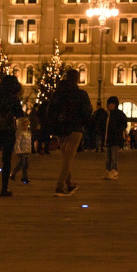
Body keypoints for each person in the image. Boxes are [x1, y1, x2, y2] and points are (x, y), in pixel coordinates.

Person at [47, 68, 92, 196]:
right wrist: (84, 124)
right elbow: (87, 112)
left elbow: (50, 111)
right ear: (77, 79)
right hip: (75, 128)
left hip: (59, 129)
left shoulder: (57, 94)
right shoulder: (81, 94)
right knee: (68, 158)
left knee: (66, 157)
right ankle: (60, 186)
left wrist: (53, 126)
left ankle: (70, 182)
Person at [102, 96, 128, 180]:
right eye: (109, 103)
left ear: (115, 104)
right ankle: (108, 171)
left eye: (112, 104)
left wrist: (117, 130)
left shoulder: (119, 114)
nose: (110, 105)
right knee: (107, 157)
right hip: (107, 139)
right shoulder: (106, 114)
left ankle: (114, 171)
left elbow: (124, 124)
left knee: (114, 157)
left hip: (115, 139)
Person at [9, 115, 32, 184]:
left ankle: (24, 177)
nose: (26, 127)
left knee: (26, 164)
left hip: (26, 150)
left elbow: (29, 142)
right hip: (21, 150)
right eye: (24, 126)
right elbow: (17, 142)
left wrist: (29, 149)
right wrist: (18, 150)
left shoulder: (28, 133)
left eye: (27, 126)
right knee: (22, 163)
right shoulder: (19, 133)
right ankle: (13, 173)